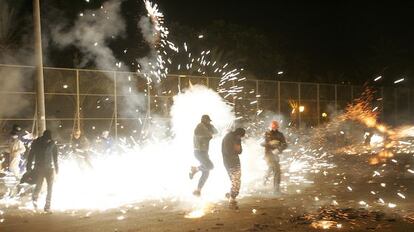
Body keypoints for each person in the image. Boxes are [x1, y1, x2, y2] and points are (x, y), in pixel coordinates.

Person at [26, 130, 59, 212]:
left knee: (50, 188)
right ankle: (34, 201)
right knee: (38, 186)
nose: (48, 140)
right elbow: (31, 155)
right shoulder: (36, 143)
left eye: (49, 139)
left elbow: (55, 157)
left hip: (49, 169)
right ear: (44, 138)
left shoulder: (52, 144)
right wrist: (28, 167)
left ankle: (47, 206)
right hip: (39, 168)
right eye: (47, 139)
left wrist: (57, 168)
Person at [189, 115, 218, 197]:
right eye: (208, 121)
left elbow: (216, 132)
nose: (209, 122)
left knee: (206, 172)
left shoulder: (206, 126)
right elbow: (209, 135)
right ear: (204, 120)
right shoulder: (200, 126)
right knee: (210, 166)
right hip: (199, 152)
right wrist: (209, 131)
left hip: (203, 152)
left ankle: (198, 190)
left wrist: (210, 126)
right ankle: (195, 169)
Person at [222, 128, 246, 209]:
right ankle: (232, 200)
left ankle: (231, 196)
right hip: (230, 162)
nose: (241, 138)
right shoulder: (231, 138)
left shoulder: (233, 137)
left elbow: (240, 151)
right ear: (238, 134)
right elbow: (232, 151)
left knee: (235, 180)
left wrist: (238, 146)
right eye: (241, 136)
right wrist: (237, 146)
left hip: (231, 162)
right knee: (236, 181)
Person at [262, 120, 287, 194]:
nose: (274, 127)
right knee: (277, 171)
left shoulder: (280, 134)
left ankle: (265, 179)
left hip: (276, 155)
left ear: (277, 127)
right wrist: (271, 146)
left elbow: (285, 144)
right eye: (273, 126)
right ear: (270, 126)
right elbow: (266, 143)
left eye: (275, 126)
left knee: (271, 169)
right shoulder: (267, 134)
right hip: (268, 155)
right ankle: (276, 190)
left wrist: (279, 149)